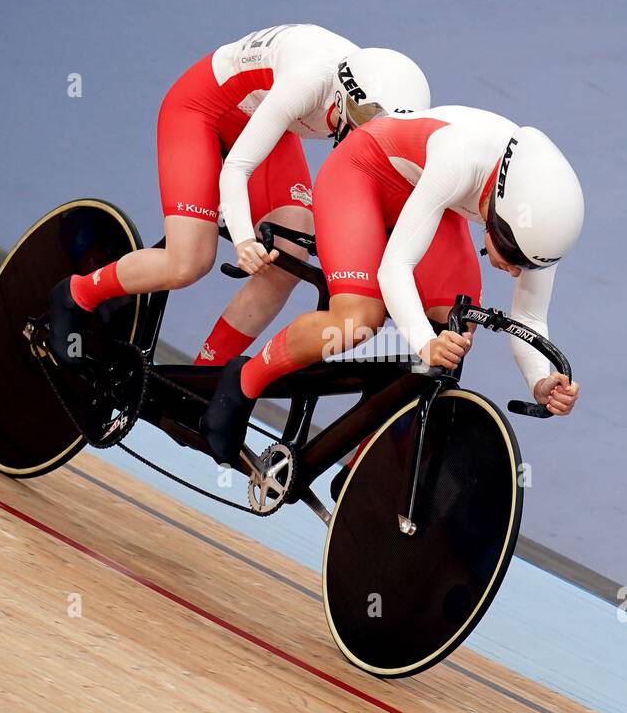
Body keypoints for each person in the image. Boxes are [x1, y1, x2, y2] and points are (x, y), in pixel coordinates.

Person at [200, 105, 584, 467]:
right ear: (497, 216)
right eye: (513, 260)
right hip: (363, 172)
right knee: (358, 320)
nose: (518, 274)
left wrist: (540, 379)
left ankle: (365, 464)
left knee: (456, 326)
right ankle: (244, 381)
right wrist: (423, 343)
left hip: (425, 193)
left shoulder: (540, 227)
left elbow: (529, 315)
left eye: (528, 265)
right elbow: (395, 268)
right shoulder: (462, 160)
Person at [46, 24, 431, 366]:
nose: (373, 135)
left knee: (288, 256)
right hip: (203, 109)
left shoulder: (369, 96)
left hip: (263, 117)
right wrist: (244, 237)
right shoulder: (308, 83)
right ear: (347, 96)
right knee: (188, 261)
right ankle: (75, 294)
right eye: (367, 122)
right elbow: (237, 168)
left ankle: (205, 375)